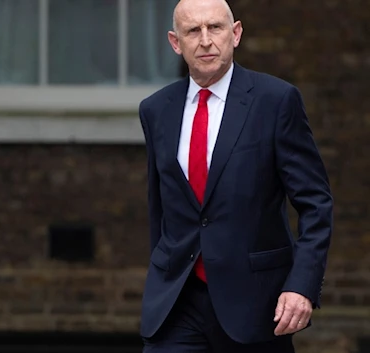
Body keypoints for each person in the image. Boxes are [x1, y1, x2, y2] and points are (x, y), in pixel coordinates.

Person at [138, 0, 333, 351]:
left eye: (215, 27)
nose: (206, 40)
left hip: (254, 304)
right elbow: (161, 205)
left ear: (236, 33)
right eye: (193, 31)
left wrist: (302, 285)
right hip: (177, 303)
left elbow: (315, 203)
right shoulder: (155, 110)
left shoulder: (275, 101)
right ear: (175, 42)